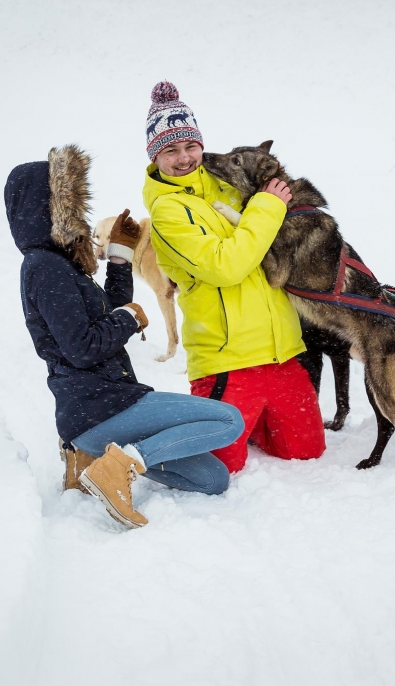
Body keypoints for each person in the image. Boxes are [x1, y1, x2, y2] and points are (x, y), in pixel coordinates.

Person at [5, 144, 245, 529]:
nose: (76, 212)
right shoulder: (45, 268)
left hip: (100, 409)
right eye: (65, 199)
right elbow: (83, 347)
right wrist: (129, 320)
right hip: (102, 405)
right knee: (229, 420)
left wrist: (119, 257)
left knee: (212, 480)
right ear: (44, 206)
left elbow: (107, 308)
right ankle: (120, 467)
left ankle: (98, 459)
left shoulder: (59, 265)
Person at [141, 81, 326, 473]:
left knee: (306, 452)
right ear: (155, 156)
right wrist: (268, 207)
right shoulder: (167, 213)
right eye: (170, 150)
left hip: (282, 353)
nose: (185, 158)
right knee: (221, 465)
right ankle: (156, 440)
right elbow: (227, 266)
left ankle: (257, 419)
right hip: (228, 361)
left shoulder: (228, 184)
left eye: (190, 146)